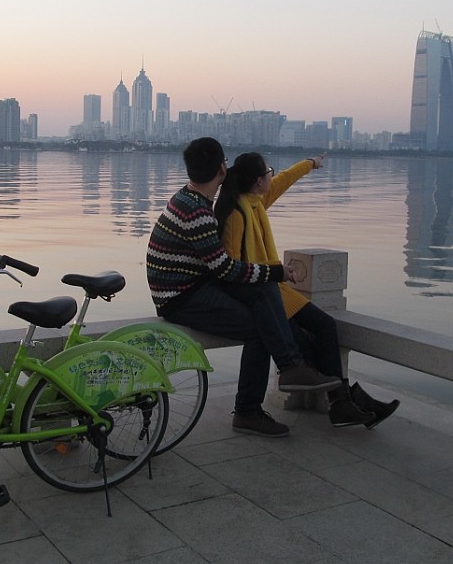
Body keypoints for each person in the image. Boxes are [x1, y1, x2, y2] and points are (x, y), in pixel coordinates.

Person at [146, 137, 341, 438]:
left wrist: (270, 275)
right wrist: (275, 271)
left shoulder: (191, 198)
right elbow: (224, 268)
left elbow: (221, 268)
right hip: (181, 297)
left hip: (193, 285)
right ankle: (250, 408)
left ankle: (290, 369)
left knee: (264, 290)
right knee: (259, 324)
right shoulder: (197, 212)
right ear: (222, 169)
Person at [214, 151, 400, 429]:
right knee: (305, 342)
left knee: (325, 326)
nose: (272, 176)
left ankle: (343, 403)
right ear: (257, 181)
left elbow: (284, 180)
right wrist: (274, 273)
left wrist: (310, 164)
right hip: (260, 294)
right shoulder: (236, 214)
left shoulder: (256, 202)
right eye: (268, 172)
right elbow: (231, 267)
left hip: (274, 289)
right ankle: (344, 402)